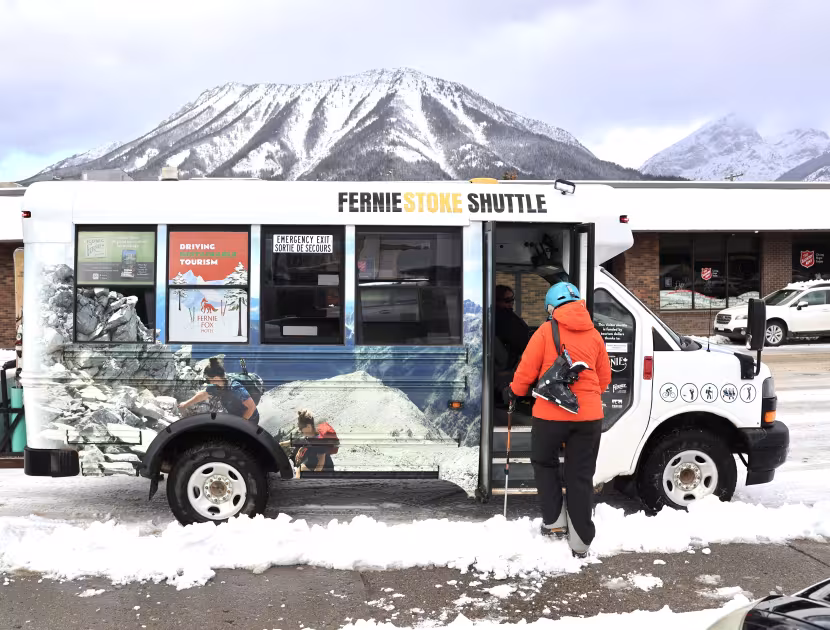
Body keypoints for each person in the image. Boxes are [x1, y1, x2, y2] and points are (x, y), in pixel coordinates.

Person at [504, 282, 611, 558]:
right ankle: (581, 542)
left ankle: (554, 524)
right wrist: (585, 400)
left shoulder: (544, 331)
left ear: (551, 307)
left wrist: (513, 392)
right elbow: (604, 378)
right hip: (588, 418)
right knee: (580, 476)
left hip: (549, 416)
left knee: (544, 463)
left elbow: (526, 371)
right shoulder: (594, 336)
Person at [178, 358, 260, 424]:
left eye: (208, 379)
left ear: (216, 378)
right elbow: (203, 394)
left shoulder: (235, 387)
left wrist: (240, 424)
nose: (207, 381)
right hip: (236, 417)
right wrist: (185, 404)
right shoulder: (216, 386)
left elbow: (251, 407)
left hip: (250, 420)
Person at [495, 285, 530, 369]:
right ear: (496, 301)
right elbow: (515, 340)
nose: (511, 304)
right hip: (513, 361)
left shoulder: (508, 314)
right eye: (507, 301)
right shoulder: (500, 317)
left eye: (512, 300)